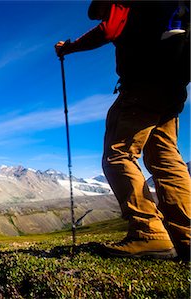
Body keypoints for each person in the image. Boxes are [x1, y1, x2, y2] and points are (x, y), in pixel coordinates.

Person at [55, 0, 190, 260]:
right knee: (165, 158)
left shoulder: (123, 3)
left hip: (143, 86)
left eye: (101, 12)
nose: (102, 17)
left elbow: (108, 30)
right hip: (172, 84)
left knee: (118, 155)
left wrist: (69, 48)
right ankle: (186, 237)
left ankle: (149, 234)